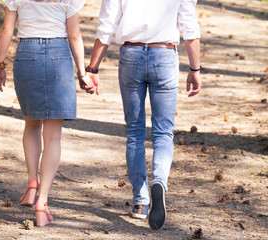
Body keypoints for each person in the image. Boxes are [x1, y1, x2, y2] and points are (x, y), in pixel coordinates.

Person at [84, 0, 202, 229]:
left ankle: (140, 201)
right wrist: (195, 69)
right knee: (163, 133)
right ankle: (159, 180)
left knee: (135, 132)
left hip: (131, 55)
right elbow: (190, 27)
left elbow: (106, 26)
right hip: (164, 55)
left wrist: (92, 69)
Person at [0, 0, 93, 227]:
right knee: (53, 136)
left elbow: (7, 30)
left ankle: (32, 183)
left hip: (27, 54)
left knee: (31, 124)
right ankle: (43, 202)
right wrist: (83, 72)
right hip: (59, 55)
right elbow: (74, 36)